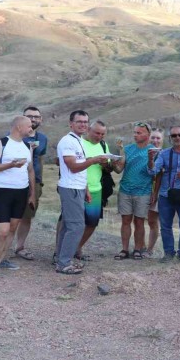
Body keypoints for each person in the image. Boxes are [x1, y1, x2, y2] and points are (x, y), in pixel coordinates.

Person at [55, 110, 108, 274]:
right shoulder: (67, 141)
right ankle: (64, 263)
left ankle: (61, 258)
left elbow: (80, 170)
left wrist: (86, 189)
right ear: (71, 124)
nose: (83, 124)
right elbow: (73, 167)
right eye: (79, 121)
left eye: (85, 122)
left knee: (68, 226)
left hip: (78, 187)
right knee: (76, 226)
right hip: (70, 188)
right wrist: (93, 160)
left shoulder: (78, 141)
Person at [0, 116, 36, 277]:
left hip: (21, 191)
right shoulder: (0, 143)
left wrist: (32, 194)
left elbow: (30, 170)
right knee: (3, 230)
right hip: (2, 191)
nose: (31, 129)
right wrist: (11, 164)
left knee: (13, 228)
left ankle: (2, 259)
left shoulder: (27, 146)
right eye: (29, 126)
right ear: (19, 127)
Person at [147, 126, 180, 262]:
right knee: (165, 227)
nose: (177, 137)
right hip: (166, 195)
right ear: (170, 138)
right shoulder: (164, 153)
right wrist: (150, 159)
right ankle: (168, 254)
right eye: (174, 135)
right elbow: (153, 171)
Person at [112, 121, 153, 260]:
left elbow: (155, 172)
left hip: (143, 191)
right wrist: (113, 164)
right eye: (134, 132)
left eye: (139, 133)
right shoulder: (127, 149)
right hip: (125, 190)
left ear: (148, 134)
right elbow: (119, 169)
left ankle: (137, 249)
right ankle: (124, 249)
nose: (135, 135)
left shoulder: (153, 151)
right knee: (125, 220)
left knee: (139, 222)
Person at [74, 120, 113, 260]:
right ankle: (60, 251)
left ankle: (77, 247)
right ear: (88, 130)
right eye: (97, 133)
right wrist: (91, 160)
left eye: (102, 134)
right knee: (69, 221)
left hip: (97, 189)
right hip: (77, 188)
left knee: (92, 222)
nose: (99, 136)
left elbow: (108, 168)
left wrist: (105, 164)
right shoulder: (79, 143)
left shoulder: (103, 145)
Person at [13, 106, 48, 261]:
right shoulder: (13, 136)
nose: (33, 119)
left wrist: (40, 180)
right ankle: (1, 249)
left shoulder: (43, 138)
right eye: (29, 116)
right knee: (10, 217)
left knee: (27, 216)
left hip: (35, 183)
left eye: (36, 116)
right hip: (14, 182)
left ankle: (20, 247)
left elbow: (40, 159)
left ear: (41, 119)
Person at [145, 128, 164, 257]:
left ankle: (150, 249)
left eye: (158, 138)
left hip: (155, 191)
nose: (155, 140)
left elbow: (159, 176)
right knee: (139, 220)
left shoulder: (163, 154)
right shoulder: (143, 152)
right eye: (153, 137)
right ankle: (140, 246)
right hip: (141, 190)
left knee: (152, 221)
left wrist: (155, 194)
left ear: (162, 140)